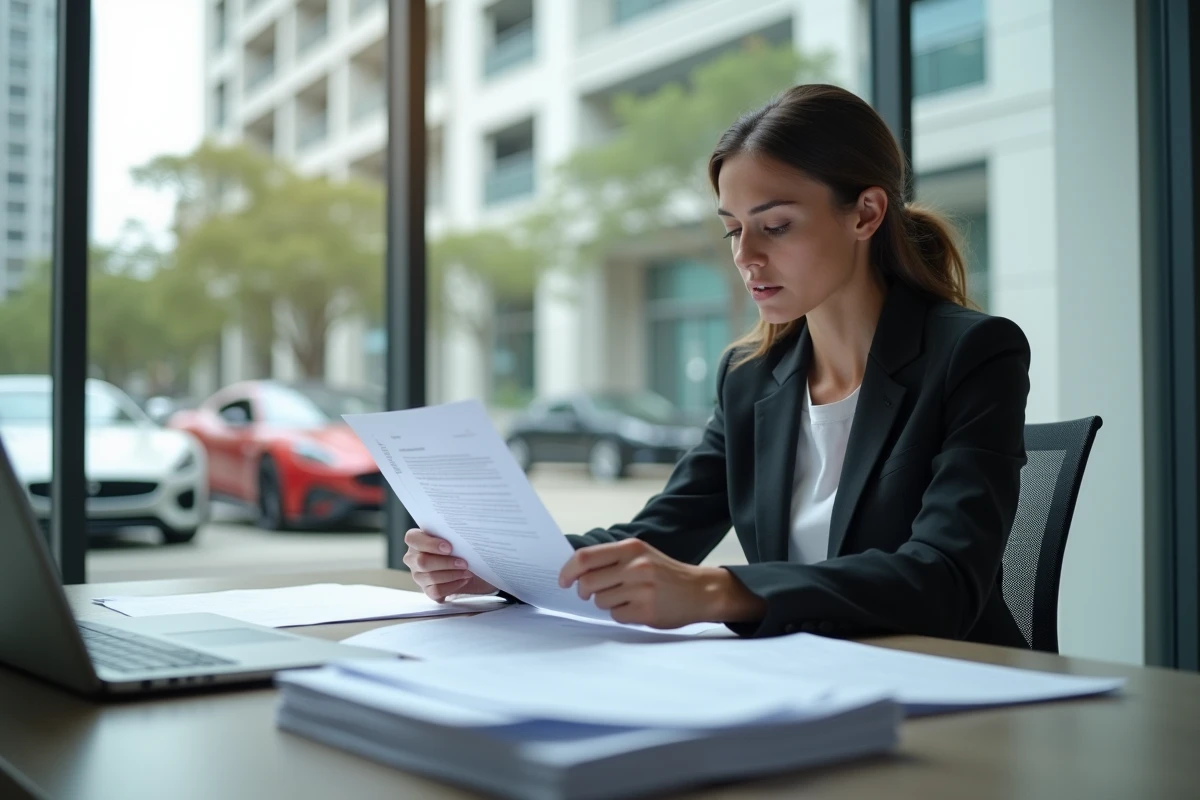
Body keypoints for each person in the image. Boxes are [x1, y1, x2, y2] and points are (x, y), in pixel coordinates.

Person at [403, 83, 1031, 647]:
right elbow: (658, 537)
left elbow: (946, 579)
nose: (747, 256)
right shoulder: (751, 374)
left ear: (866, 213)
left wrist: (720, 590)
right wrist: (497, 565)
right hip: (810, 674)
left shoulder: (972, 354)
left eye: (776, 226)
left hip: (952, 681)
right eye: (733, 230)